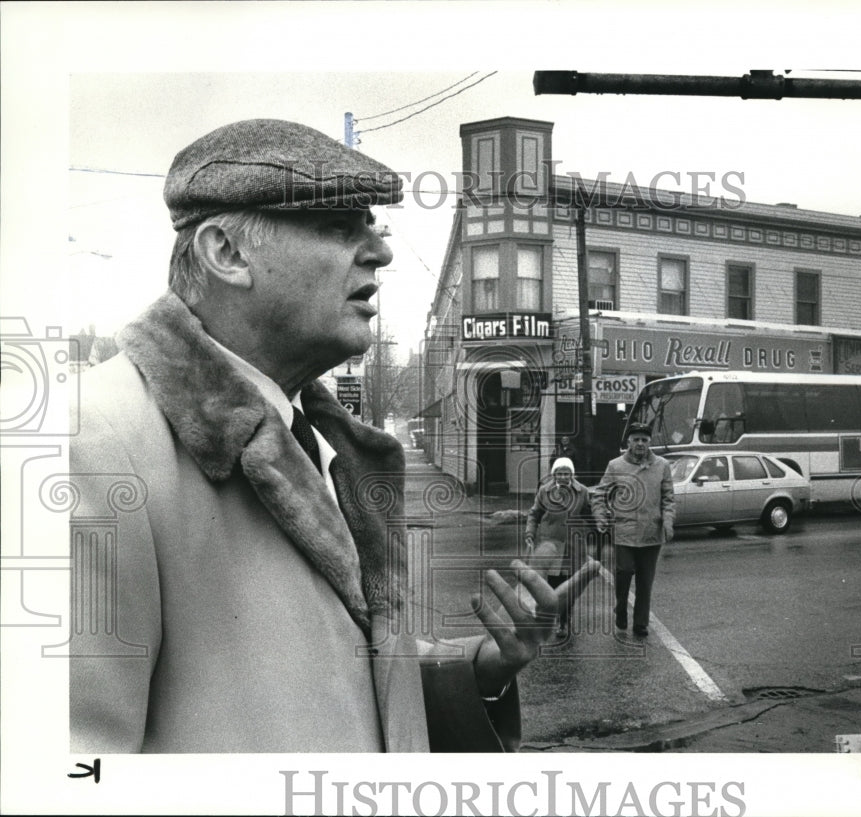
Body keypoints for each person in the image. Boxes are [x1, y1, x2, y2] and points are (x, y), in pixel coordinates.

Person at [68, 118, 598, 753]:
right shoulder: (89, 447)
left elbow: (345, 685)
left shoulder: (324, 445)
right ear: (227, 253)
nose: (380, 251)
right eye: (339, 228)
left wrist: (484, 664)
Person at [590, 422, 675, 638]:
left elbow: (668, 498)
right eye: (636, 439)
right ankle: (620, 608)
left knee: (645, 582)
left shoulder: (662, 465)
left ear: (649, 442)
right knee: (624, 572)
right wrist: (600, 517)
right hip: (624, 532)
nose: (640, 443)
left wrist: (668, 521)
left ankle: (640, 624)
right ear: (628, 442)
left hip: (651, 534)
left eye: (644, 440)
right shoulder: (615, 466)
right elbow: (599, 495)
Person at [525, 457, 593, 638]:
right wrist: (530, 533)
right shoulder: (544, 491)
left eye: (566, 473)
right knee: (553, 584)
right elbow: (534, 514)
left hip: (573, 545)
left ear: (572, 474)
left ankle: (564, 620)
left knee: (569, 585)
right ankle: (552, 618)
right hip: (551, 544)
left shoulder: (582, 491)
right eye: (559, 473)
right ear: (554, 474)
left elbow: (589, 513)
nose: (563, 477)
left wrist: (601, 524)